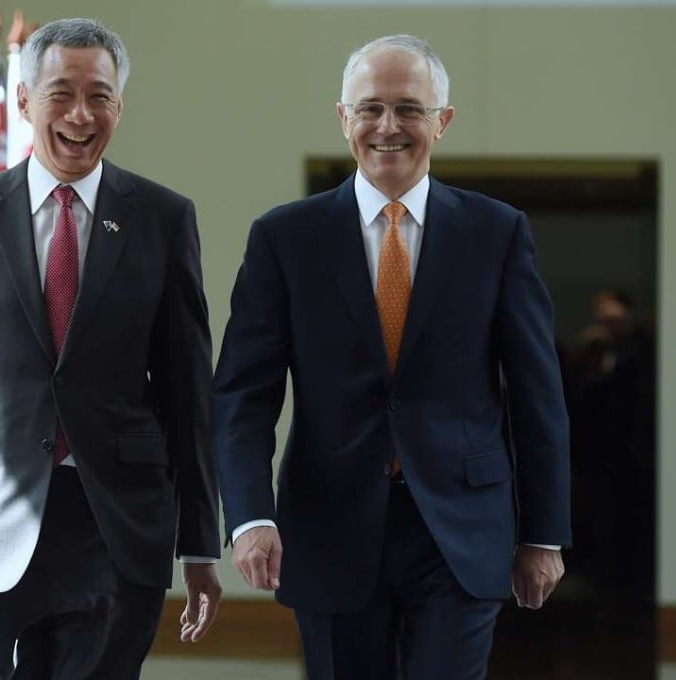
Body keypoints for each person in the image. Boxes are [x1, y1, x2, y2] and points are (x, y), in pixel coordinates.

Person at [212, 34, 570, 679]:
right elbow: (242, 395)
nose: (388, 127)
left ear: (443, 121)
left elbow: (536, 394)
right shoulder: (285, 238)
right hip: (328, 524)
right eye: (370, 108)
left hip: (461, 528)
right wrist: (250, 515)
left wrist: (543, 533)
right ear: (342, 117)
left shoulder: (496, 232)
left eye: (409, 108)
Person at [0, 18, 221, 680]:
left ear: (120, 106)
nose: (81, 115)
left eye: (100, 96)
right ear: (24, 100)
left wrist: (201, 544)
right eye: (61, 93)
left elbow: (188, 392)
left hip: (119, 523)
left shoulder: (162, 218)